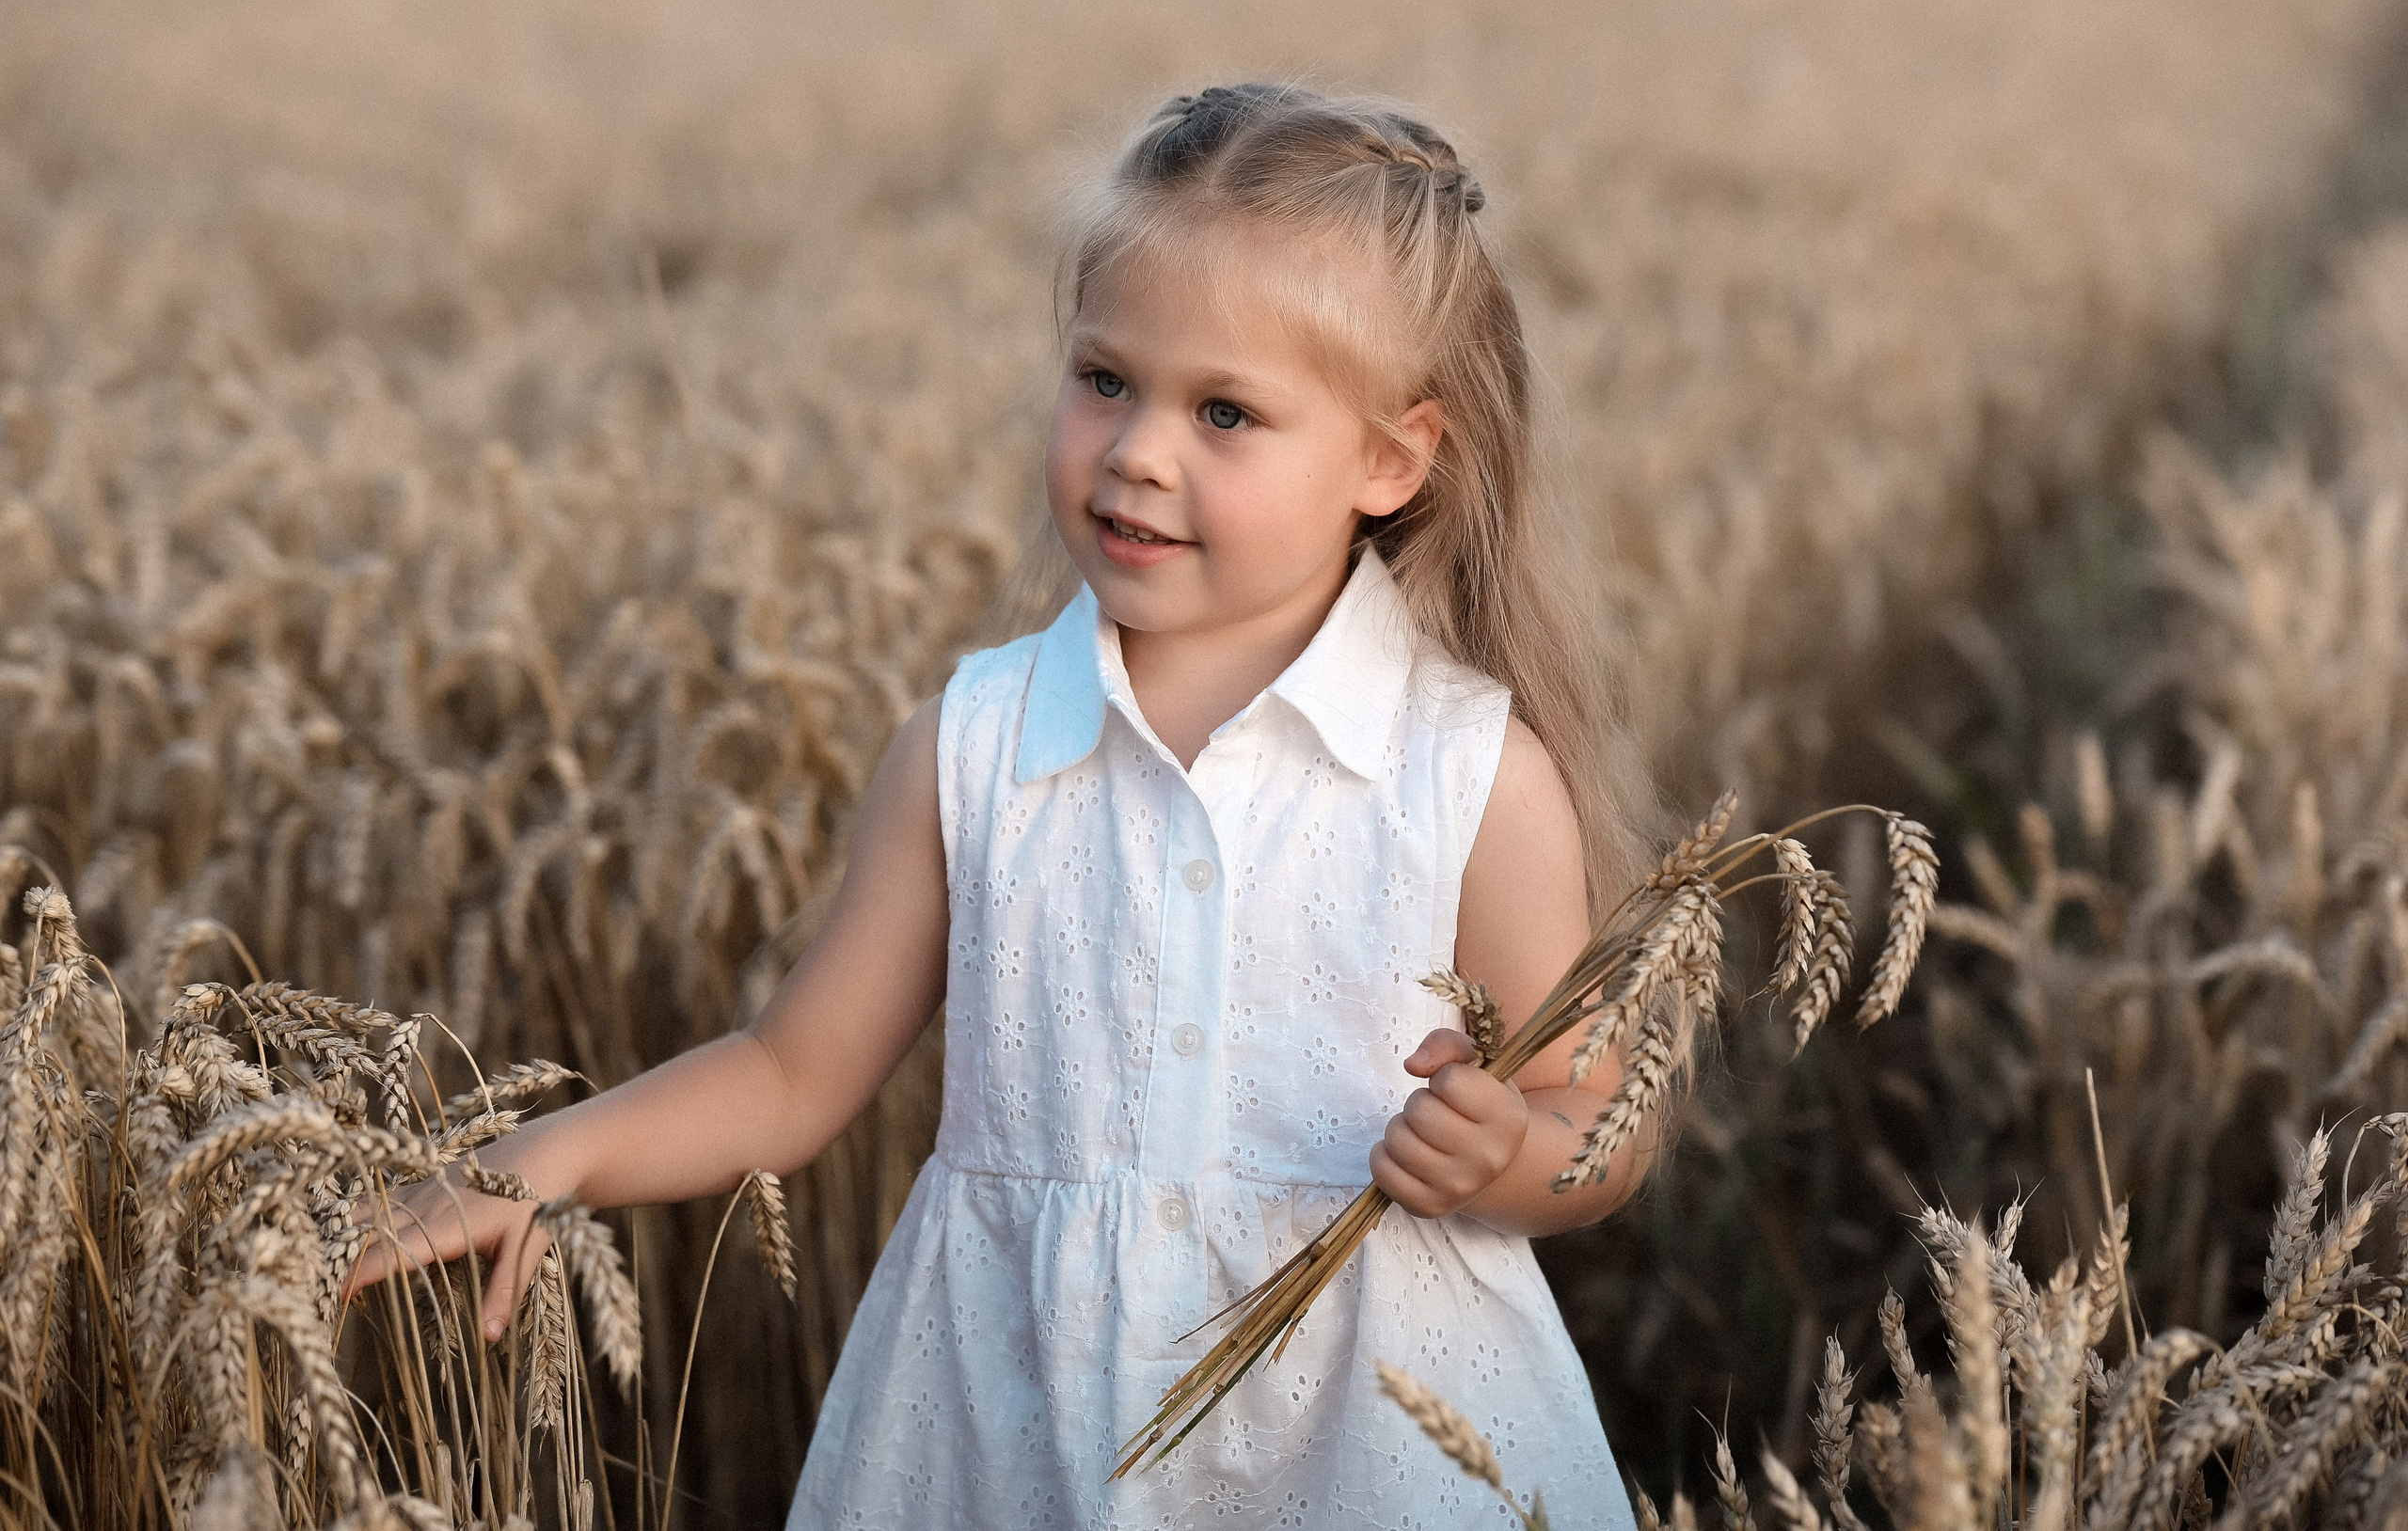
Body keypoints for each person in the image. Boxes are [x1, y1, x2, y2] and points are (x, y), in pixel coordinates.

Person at [354, 81, 1666, 1529]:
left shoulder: (1464, 773)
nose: (1138, 450)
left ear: (1389, 458)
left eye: (1224, 411)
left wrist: (1506, 1155)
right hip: (1012, 1437)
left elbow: (1601, 1119)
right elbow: (793, 1072)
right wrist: (560, 1153)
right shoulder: (971, 749)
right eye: (1106, 379)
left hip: (1370, 1451)